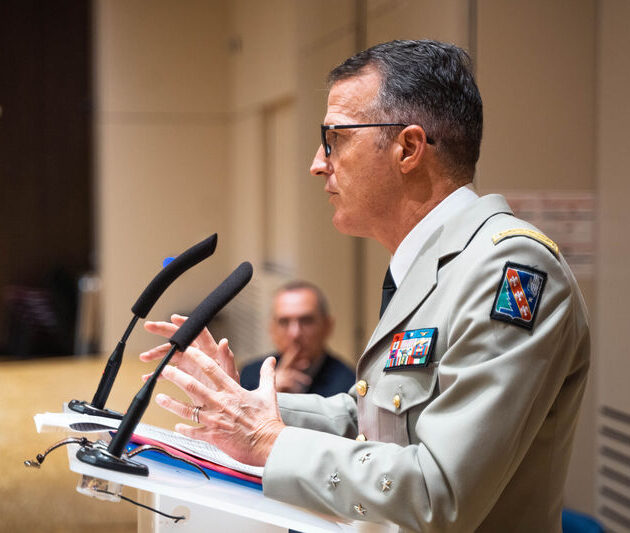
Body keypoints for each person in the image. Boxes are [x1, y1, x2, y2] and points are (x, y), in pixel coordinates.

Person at [141, 40, 589, 532]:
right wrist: (243, 405)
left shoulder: (510, 268)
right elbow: (372, 419)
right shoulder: (429, 264)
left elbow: (439, 493)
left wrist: (269, 439)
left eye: (334, 138)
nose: (318, 162)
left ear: (409, 149)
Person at [239, 280, 355, 396]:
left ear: (327, 326)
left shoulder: (348, 384)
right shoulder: (251, 375)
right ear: (272, 328)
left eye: (306, 321)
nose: (295, 333)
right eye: (284, 322)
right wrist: (271, 394)